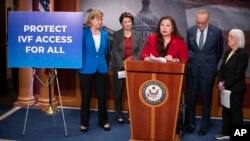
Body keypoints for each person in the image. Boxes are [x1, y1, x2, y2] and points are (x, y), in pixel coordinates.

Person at [185, 9, 223, 136]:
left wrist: (210, 65)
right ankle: (190, 124)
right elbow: (188, 50)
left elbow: (219, 52)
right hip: (193, 71)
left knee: (207, 101)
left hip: (208, 72)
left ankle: (204, 127)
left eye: (202, 23)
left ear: (208, 20)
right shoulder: (190, 31)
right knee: (191, 100)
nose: (200, 25)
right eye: (198, 22)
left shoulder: (217, 32)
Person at [78, 9, 111, 132]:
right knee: (85, 98)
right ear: (91, 20)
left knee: (102, 97)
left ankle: (104, 121)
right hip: (85, 70)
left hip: (101, 69)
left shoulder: (105, 34)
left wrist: (105, 66)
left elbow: (106, 53)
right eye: (98, 19)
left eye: (101, 19)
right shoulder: (83, 33)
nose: (100, 21)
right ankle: (84, 123)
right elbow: (78, 52)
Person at [214, 29, 248, 140]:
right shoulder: (228, 51)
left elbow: (238, 74)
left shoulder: (242, 54)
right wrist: (219, 81)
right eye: (229, 36)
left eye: (231, 37)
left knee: (236, 114)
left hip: (235, 90)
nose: (228, 38)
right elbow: (221, 69)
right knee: (226, 112)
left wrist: (225, 84)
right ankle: (226, 132)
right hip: (225, 89)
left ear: (238, 39)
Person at [111, 12, 143, 124]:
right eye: (125, 22)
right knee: (118, 92)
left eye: (129, 21)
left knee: (133, 93)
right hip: (119, 67)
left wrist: (131, 62)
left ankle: (131, 115)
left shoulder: (137, 34)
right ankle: (119, 115)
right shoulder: (117, 34)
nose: (128, 24)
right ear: (121, 23)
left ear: (132, 22)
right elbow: (114, 51)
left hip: (133, 67)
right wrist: (123, 63)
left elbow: (140, 50)